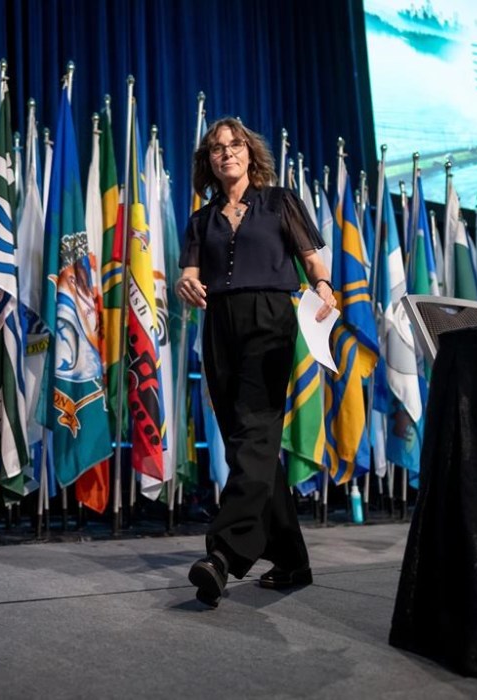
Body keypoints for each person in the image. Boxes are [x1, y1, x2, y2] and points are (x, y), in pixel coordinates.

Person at [175, 117, 337, 608]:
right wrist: (185, 285)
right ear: (209, 162)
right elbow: (188, 275)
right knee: (249, 443)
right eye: (217, 148)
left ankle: (224, 554)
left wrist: (325, 290)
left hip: (270, 318)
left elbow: (314, 261)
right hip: (219, 324)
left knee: (257, 433)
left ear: (250, 153)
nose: (227, 153)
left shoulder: (280, 201)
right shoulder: (201, 220)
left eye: (235, 145)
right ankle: (292, 559)